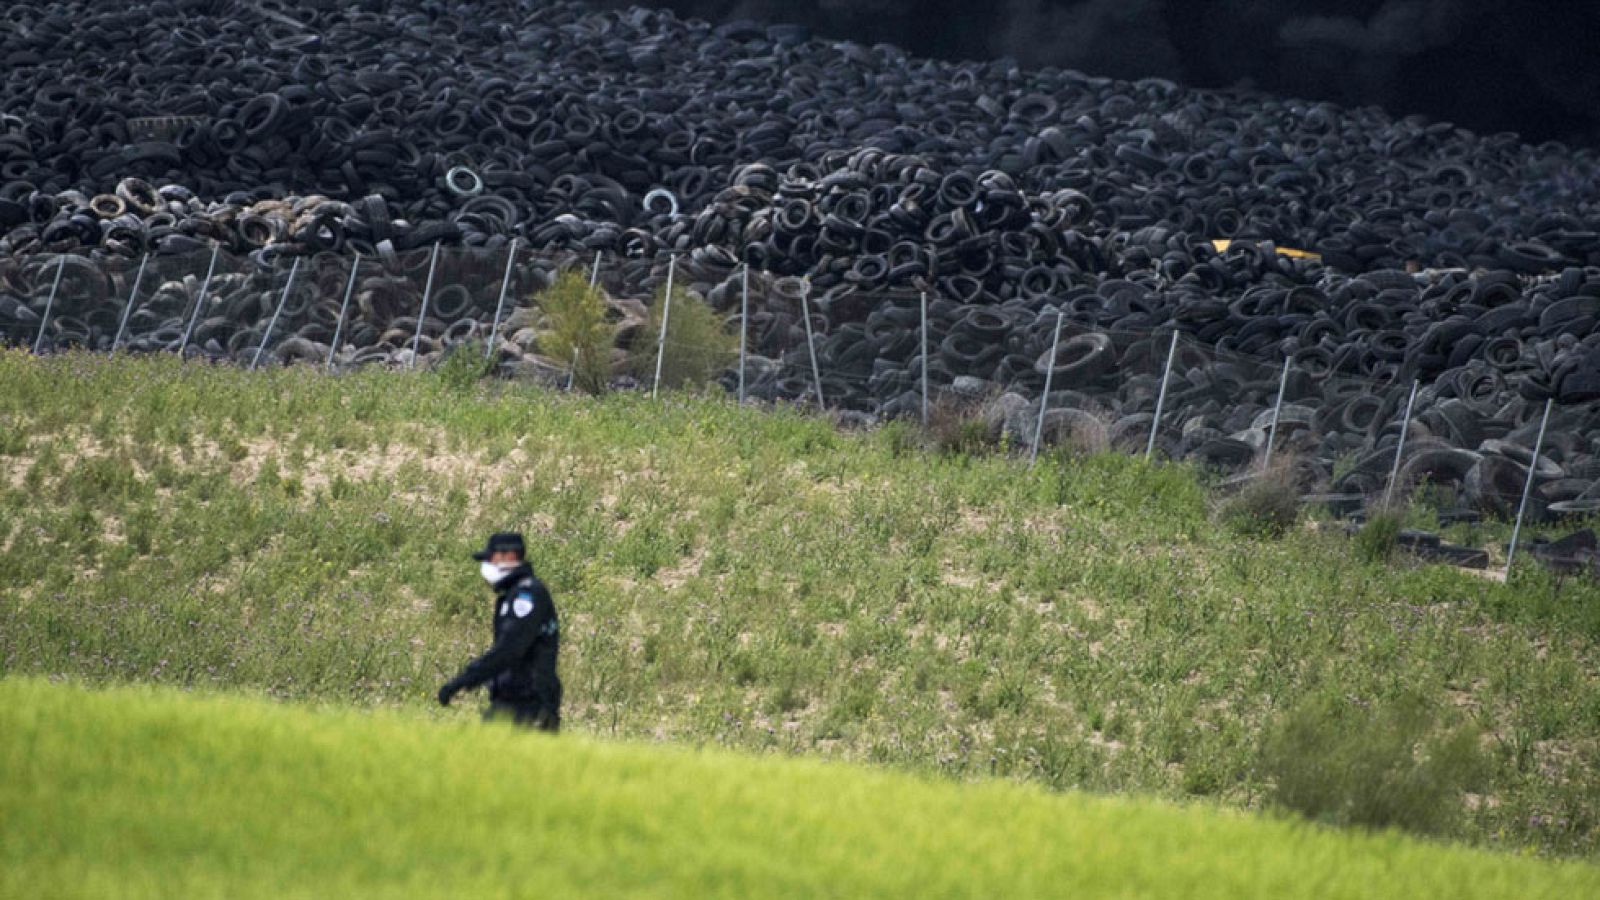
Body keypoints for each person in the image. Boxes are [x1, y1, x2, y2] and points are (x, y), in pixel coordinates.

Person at [437, 532, 562, 731]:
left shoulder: (528, 595)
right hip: (512, 699)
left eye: (491, 558)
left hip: (529, 703)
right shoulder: (513, 594)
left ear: (510, 557)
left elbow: (510, 648)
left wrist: (464, 680)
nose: (487, 565)